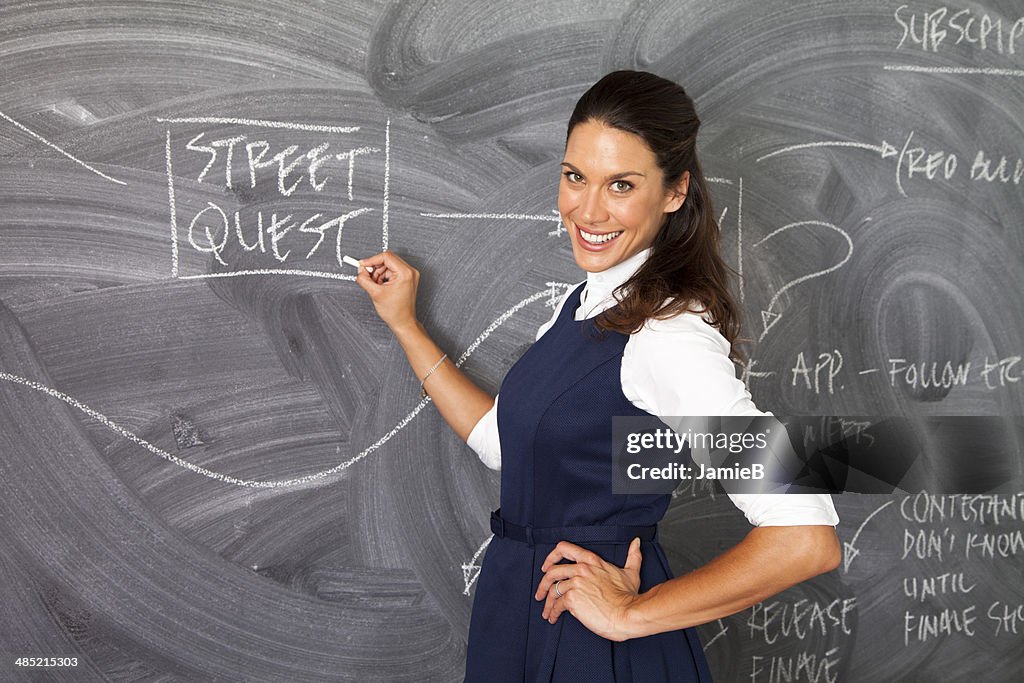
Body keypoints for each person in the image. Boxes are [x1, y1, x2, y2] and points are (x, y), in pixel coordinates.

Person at [354, 70, 842, 682]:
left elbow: (805, 535)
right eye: (575, 177)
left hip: (593, 646)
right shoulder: (584, 305)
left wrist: (630, 617)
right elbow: (505, 446)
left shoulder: (667, 337)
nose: (587, 209)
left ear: (674, 192)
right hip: (524, 613)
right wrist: (405, 326)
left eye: (621, 185)